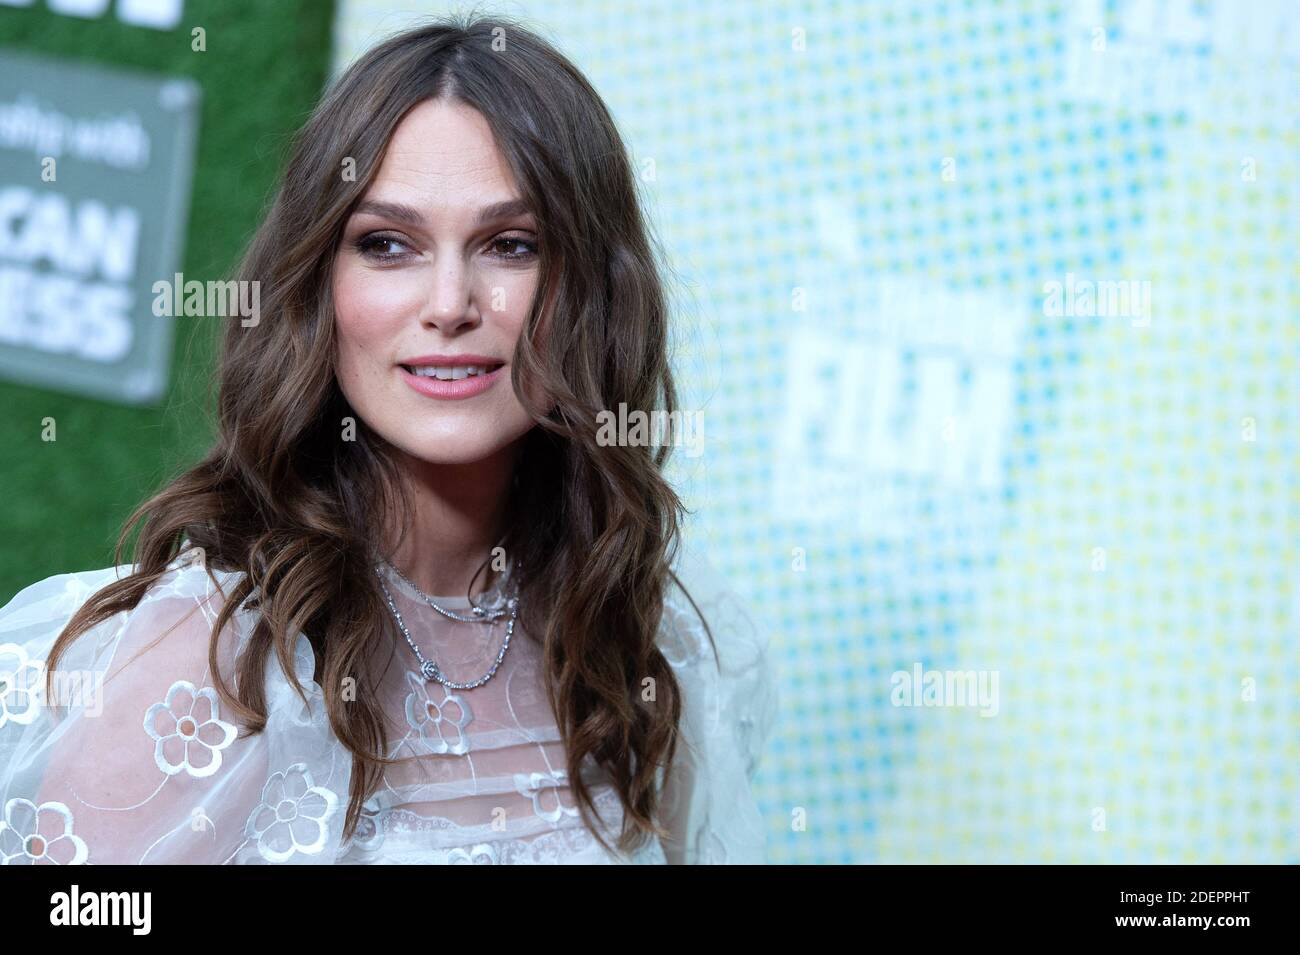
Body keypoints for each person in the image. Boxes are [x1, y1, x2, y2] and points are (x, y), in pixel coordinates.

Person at [0, 15, 777, 865]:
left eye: (511, 245)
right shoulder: (216, 660)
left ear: (591, 290)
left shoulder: (648, 638)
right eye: (387, 245)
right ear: (316, 285)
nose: (450, 302)